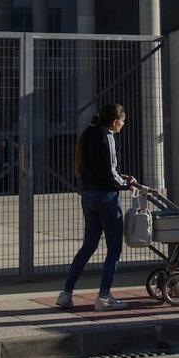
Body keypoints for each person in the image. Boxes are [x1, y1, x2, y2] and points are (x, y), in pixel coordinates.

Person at [56, 103, 136, 311]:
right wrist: (127, 183)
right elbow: (110, 170)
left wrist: (122, 178)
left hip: (88, 195)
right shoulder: (106, 136)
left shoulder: (87, 134)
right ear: (114, 121)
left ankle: (66, 293)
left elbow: (97, 168)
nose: (123, 125)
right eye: (122, 121)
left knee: (89, 245)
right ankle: (103, 296)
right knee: (114, 249)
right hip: (106, 197)